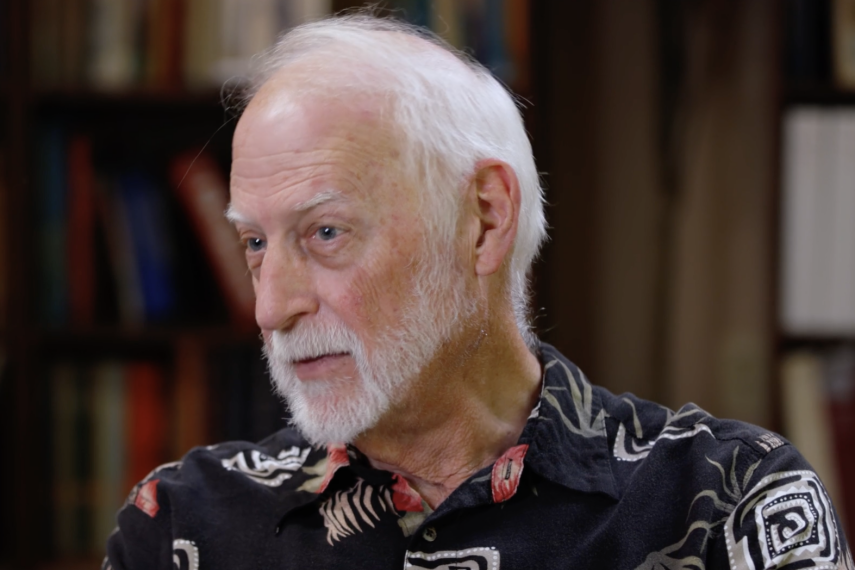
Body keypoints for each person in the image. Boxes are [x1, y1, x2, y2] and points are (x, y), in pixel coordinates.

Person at [105, 14, 852, 570]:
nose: (272, 308)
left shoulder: (732, 504)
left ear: (485, 221)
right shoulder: (178, 528)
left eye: (325, 233)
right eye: (257, 245)